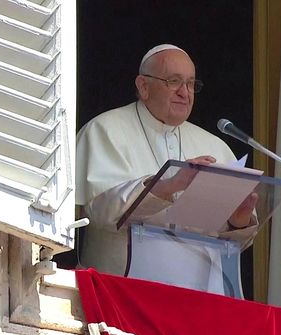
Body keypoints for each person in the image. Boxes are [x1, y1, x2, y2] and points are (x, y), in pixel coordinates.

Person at [76, 44, 256, 284]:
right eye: (174, 81)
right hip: (118, 290)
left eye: (191, 84)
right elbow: (99, 210)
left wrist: (238, 219)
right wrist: (168, 184)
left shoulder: (215, 146)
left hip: (197, 295)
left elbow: (232, 246)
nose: (185, 92)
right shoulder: (104, 130)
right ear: (143, 86)